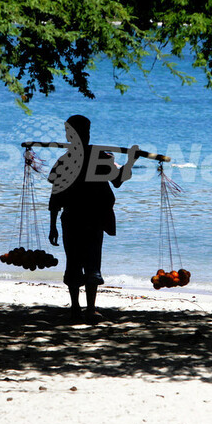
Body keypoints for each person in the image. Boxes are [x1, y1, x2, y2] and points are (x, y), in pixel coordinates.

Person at [47, 115, 139, 324]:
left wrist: (130, 161)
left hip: (84, 219)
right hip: (81, 219)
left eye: (85, 133)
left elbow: (115, 181)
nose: (83, 137)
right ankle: (83, 309)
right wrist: (131, 161)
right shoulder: (92, 157)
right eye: (80, 134)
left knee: (84, 262)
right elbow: (56, 195)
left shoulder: (73, 159)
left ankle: (82, 309)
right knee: (85, 262)